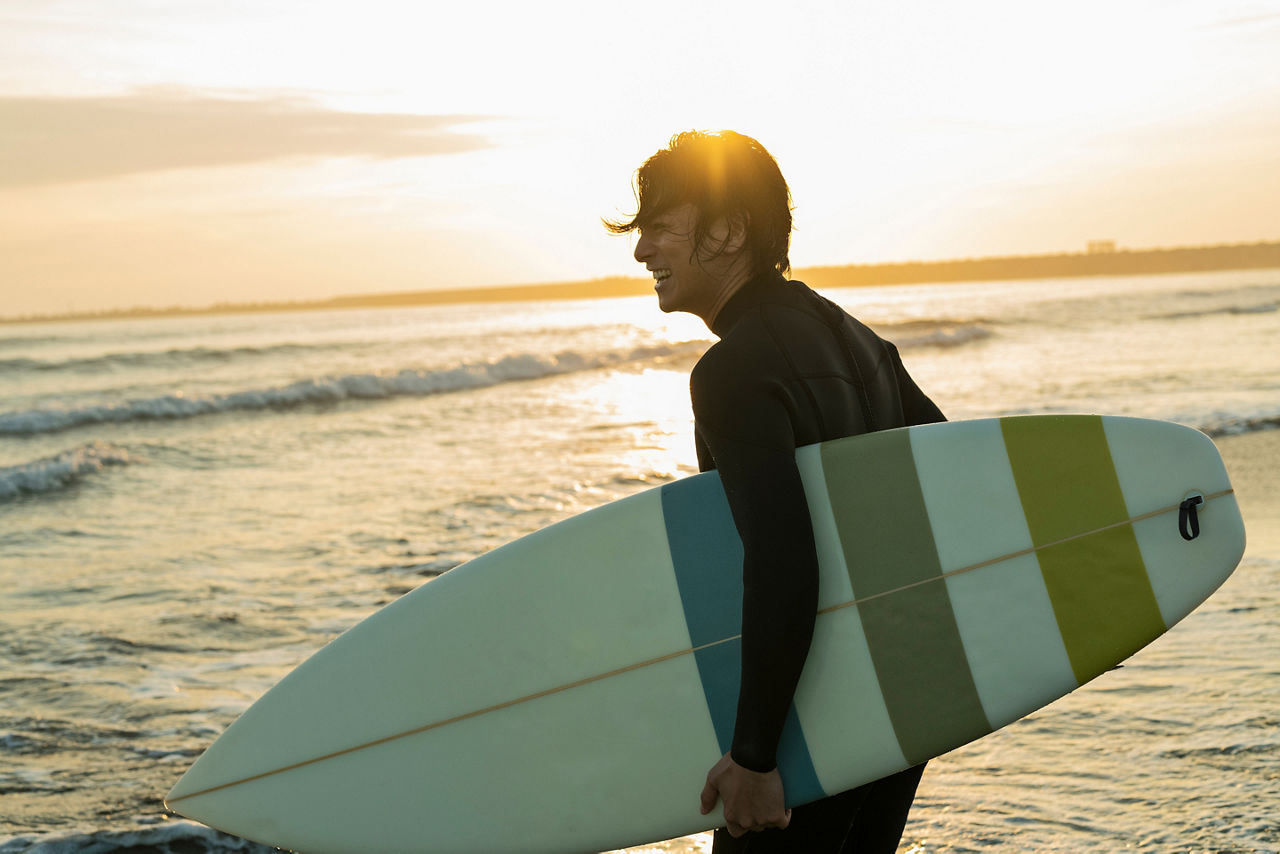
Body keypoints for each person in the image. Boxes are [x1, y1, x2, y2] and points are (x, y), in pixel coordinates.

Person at [606, 131, 945, 853]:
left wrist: (755, 756)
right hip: (894, 708)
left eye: (660, 227)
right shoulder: (858, 340)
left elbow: (782, 562)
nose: (642, 252)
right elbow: (945, 477)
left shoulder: (732, 372)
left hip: (805, 725)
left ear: (729, 231)